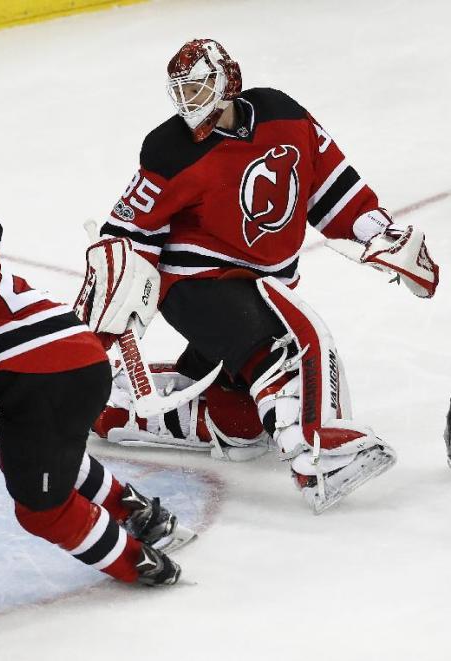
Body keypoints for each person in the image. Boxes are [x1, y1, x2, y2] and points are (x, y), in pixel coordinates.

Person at [77, 39, 439, 513]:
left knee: (242, 423)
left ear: (228, 81)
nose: (189, 102)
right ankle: (314, 455)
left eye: (199, 87)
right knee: (278, 351)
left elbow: (331, 186)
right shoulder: (170, 151)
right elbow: (128, 231)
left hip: (263, 284)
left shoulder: (282, 114)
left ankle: (111, 409)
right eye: (180, 92)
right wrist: (109, 301)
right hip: (196, 282)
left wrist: (379, 232)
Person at [0, 194, 184, 587]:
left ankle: (142, 564)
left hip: (48, 377)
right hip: (62, 372)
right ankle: (139, 513)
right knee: (34, 458)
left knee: (41, 510)